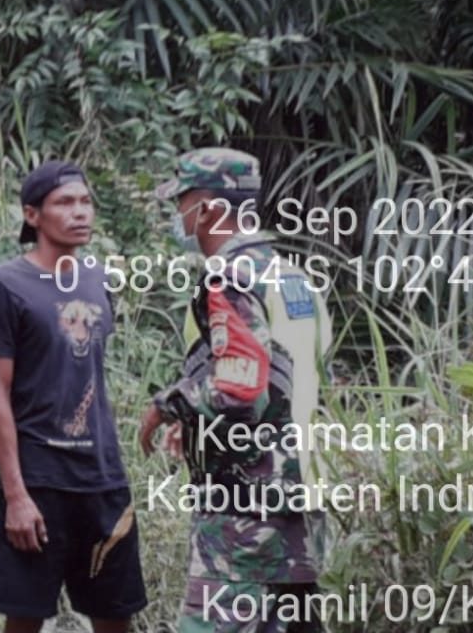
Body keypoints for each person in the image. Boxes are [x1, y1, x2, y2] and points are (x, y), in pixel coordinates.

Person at [138, 148, 333, 633]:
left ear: (205, 208)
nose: (177, 214)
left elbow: (243, 386)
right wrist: (200, 423)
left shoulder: (229, 276)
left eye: (181, 201)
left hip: (245, 510)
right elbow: (297, 380)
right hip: (302, 500)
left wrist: (168, 406)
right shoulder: (291, 278)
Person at [0, 160, 148, 633]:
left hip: (102, 477)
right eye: (65, 203)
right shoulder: (6, 285)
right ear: (33, 215)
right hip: (40, 482)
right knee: (26, 618)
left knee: (116, 614)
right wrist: (16, 495)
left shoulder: (97, 279)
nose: (80, 212)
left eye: (86, 201)